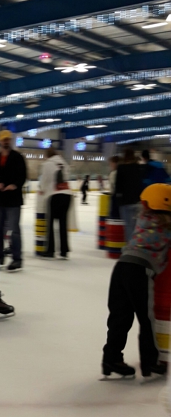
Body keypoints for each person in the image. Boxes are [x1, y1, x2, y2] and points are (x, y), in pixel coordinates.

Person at [102, 183, 171, 378]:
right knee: (146, 319)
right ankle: (151, 362)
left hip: (121, 266)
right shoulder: (167, 227)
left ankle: (111, 358)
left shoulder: (142, 219)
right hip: (141, 270)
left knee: (119, 317)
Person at [0, 130, 27, 271]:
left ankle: (17, 259)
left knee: (14, 230)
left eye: (8, 139)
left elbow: (22, 175)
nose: (6, 142)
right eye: (4, 139)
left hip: (13, 200)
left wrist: (14, 185)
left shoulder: (17, 157)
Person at [37, 147, 73, 259]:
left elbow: (45, 180)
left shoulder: (47, 164)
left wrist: (42, 189)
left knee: (50, 223)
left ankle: (50, 250)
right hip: (67, 195)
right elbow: (66, 177)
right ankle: (64, 251)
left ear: (47, 155)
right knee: (63, 223)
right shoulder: (64, 163)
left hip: (55, 195)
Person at [115, 148, 143, 242]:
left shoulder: (121, 168)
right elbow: (140, 184)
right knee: (137, 226)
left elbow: (118, 186)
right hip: (138, 201)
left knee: (129, 227)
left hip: (125, 202)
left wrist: (118, 201)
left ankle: (130, 250)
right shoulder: (138, 168)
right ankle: (137, 247)